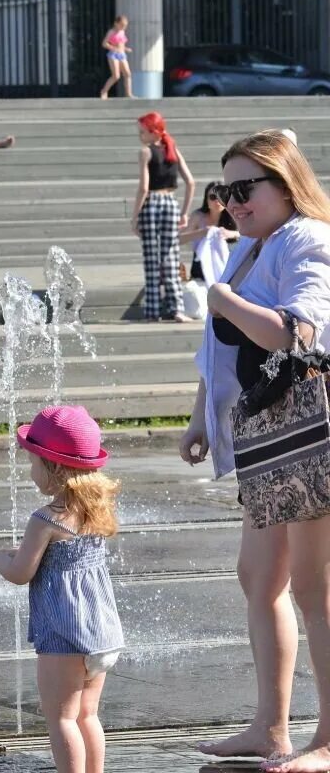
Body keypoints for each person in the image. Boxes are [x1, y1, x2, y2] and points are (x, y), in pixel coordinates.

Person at [181, 130, 330, 771]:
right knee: (259, 577)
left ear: (286, 183)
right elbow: (221, 352)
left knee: (315, 586)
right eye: (226, 193)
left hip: (310, 431)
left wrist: (224, 300)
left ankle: (329, 737)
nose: (234, 204)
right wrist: (200, 419)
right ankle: (271, 727)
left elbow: (295, 333)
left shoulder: (308, 239)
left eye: (246, 189)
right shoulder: (253, 247)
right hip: (267, 435)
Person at [0, 405, 123, 773]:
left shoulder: (44, 519)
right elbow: (59, 559)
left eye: (33, 462)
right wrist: (10, 552)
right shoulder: (96, 512)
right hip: (102, 632)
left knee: (61, 718)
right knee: (88, 715)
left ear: (54, 467)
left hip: (64, 634)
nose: (30, 471)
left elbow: (22, 572)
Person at [132, 113, 196, 322]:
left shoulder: (145, 153)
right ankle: (177, 308)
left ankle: (152, 311)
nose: (140, 136)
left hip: (152, 203)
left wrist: (135, 217)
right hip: (171, 203)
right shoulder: (172, 149)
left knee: (152, 258)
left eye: (143, 132)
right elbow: (191, 182)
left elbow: (143, 187)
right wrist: (185, 212)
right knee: (171, 256)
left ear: (153, 132)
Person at [179, 182, 239, 286]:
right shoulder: (198, 216)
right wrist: (202, 232)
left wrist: (232, 234)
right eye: (213, 197)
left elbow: (250, 235)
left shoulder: (234, 215)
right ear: (206, 200)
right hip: (201, 266)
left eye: (221, 196)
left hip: (228, 265)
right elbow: (178, 239)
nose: (217, 201)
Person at [99, 16, 134, 99]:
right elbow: (104, 43)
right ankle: (104, 91)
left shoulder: (122, 32)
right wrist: (114, 48)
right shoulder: (111, 32)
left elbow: (121, 44)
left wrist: (126, 49)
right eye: (121, 25)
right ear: (116, 23)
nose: (123, 27)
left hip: (122, 54)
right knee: (116, 76)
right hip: (113, 54)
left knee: (127, 73)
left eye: (125, 26)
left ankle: (129, 93)